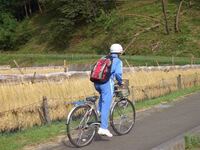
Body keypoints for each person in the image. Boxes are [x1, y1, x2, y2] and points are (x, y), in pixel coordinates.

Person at [94, 43, 123, 137]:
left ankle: (98, 112)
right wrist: (120, 82)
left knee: (103, 98)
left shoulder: (103, 58)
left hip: (96, 82)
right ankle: (103, 128)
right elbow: (118, 74)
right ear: (119, 52)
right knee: (107, 104)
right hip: (106, 84)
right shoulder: (118, 61)